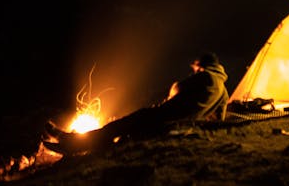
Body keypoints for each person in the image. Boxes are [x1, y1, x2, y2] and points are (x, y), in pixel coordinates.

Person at [44, 52, 228, 154]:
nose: (194, 71)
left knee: (118, 126)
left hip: (164, 118)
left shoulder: (205, 76)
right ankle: (80, 145)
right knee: (121, 131)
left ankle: (68, 142)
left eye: (195, 68)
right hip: (181, 123)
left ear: (201, 65)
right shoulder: (224, 90)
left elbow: (177, 89)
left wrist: (174, 91)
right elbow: (218, 119)